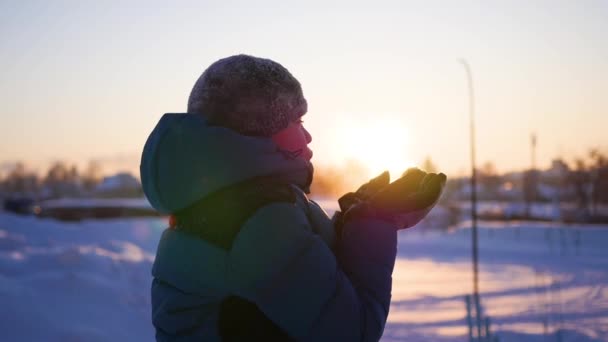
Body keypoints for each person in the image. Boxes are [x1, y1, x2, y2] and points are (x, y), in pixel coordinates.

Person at [140, 54, 446, 341]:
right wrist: (375, 222)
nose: (309, 136)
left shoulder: (234, 202)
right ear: (259, 130)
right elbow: (352, 330)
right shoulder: (259, 220)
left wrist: (354, 216)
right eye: (297, 121)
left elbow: (308, 277)